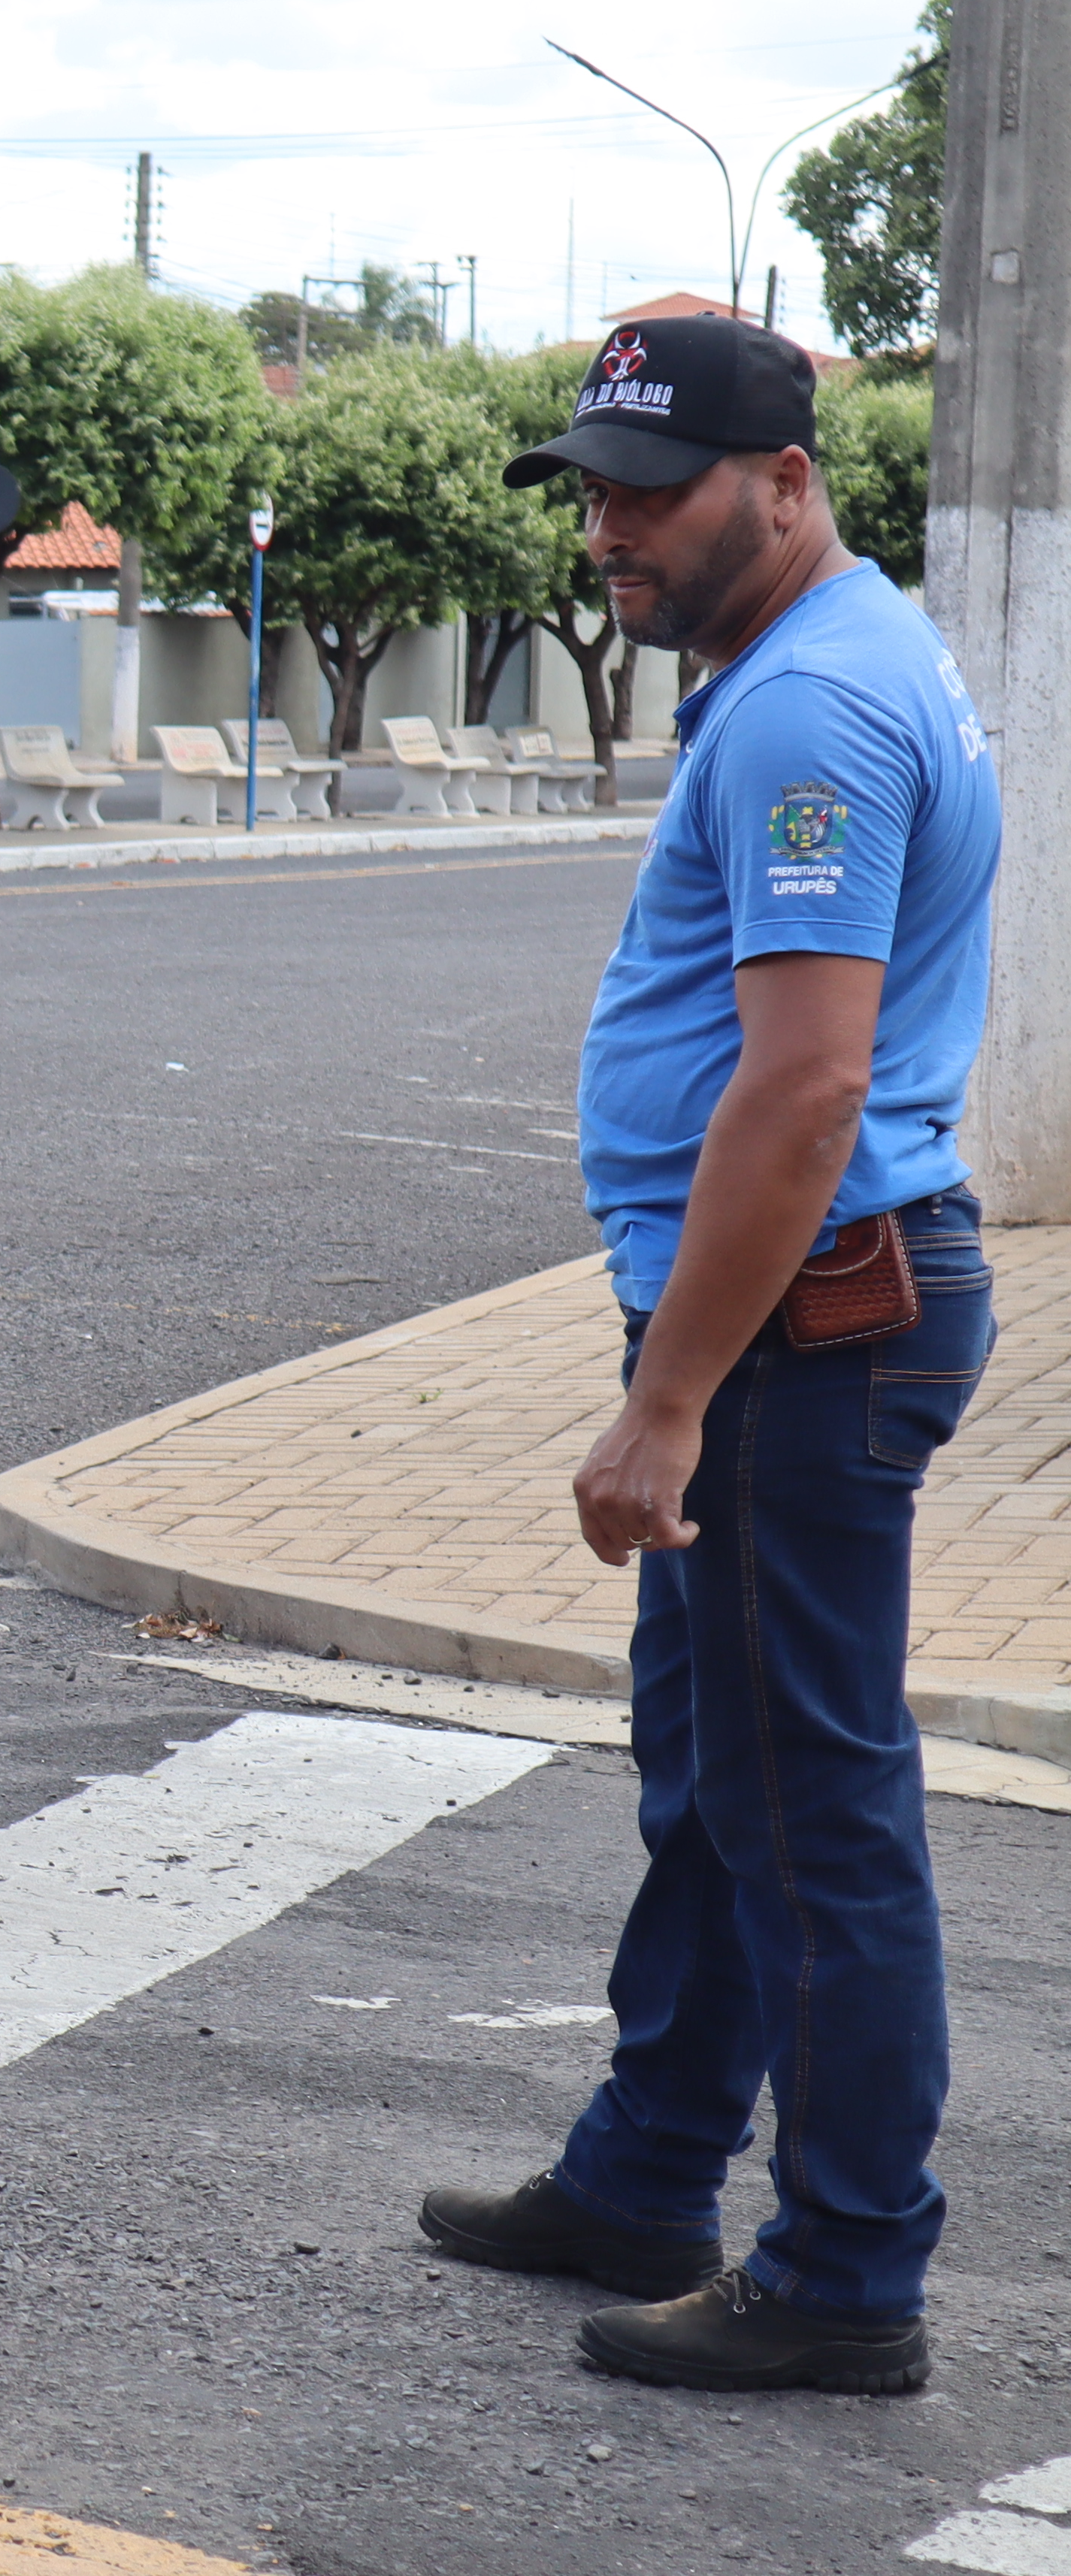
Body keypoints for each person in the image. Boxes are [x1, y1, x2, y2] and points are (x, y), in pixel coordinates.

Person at [419, 311, 999, 2395]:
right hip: (795, 1315)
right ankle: (651, 2165)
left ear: (784, 479)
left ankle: (850, 2276)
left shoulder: (810, 714)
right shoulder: (827, 663)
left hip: (800, 1333)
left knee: (810, 1809)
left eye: (651, 494)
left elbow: (804, 1091)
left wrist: (667, 1393)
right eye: (591, 491)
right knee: (719, 1784)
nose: (609, 533)